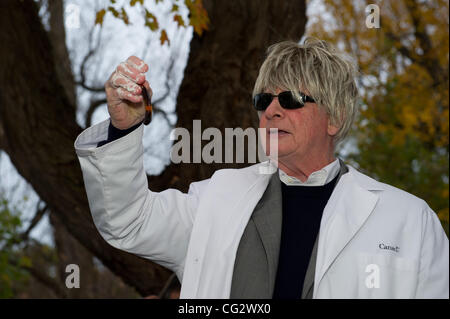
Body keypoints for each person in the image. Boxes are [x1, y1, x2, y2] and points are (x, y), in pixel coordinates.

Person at [74, 38, 449, 299]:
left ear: (335, 117)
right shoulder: (216, 199)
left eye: (290, 98)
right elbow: (128, 221)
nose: (271, 109)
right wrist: (124, 129)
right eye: (263, 99)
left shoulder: (409, 220)